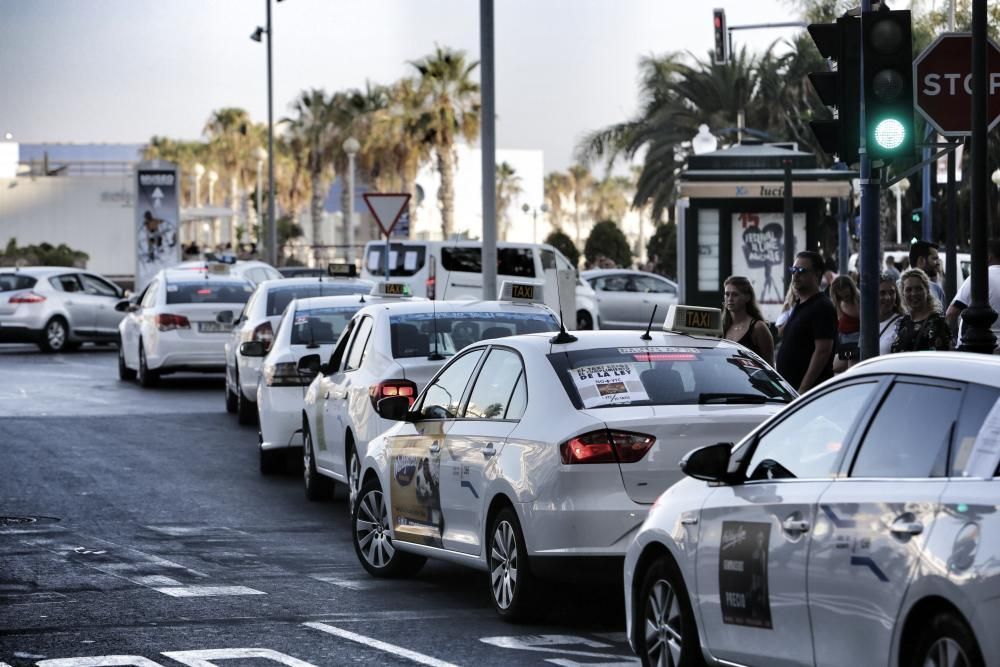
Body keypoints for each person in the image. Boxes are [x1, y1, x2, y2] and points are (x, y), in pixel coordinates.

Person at [776, 251, 837, 393]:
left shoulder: (822, 306)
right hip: (792, 391)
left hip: (809, 394)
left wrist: (803, 390)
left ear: (817, 274)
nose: (795, 274)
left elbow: (823, 351)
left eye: (801, 270)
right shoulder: (799, 304)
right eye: (793, 270)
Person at [946, 238, 1000, 352]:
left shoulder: (979, 277)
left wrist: (948, 341)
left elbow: (951, 313)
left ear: (988, 256)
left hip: (974, 350)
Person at [891, 268, 952, 353]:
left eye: (918, 289)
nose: (914, 293)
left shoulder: (937, 323)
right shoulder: (903, 321)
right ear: (903, 293)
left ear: (927, 291)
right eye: (908, 290)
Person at [722, 276, 775, 366]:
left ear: (747, 297)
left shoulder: (758, 327)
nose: (730, 298)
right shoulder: (721, 326)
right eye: (727, 294)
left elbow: (769, 365)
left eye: (735, 294)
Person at [830, 275, 860, 373]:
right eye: (841, 297)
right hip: (843, 343)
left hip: (856, 344)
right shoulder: (838, 304)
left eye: (847, 296)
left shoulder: (859, 301)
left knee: (852, 372)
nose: (845, 299)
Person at [909, 240, 946, 305]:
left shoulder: (936, 289)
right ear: (921, 261)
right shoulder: (898, 289)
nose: (938, 263)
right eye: (934, 259)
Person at [878, 274, 905, 355]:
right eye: (882, 293)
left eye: (892, 292)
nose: (888, 297)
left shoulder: (902, 323)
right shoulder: (866, 323)